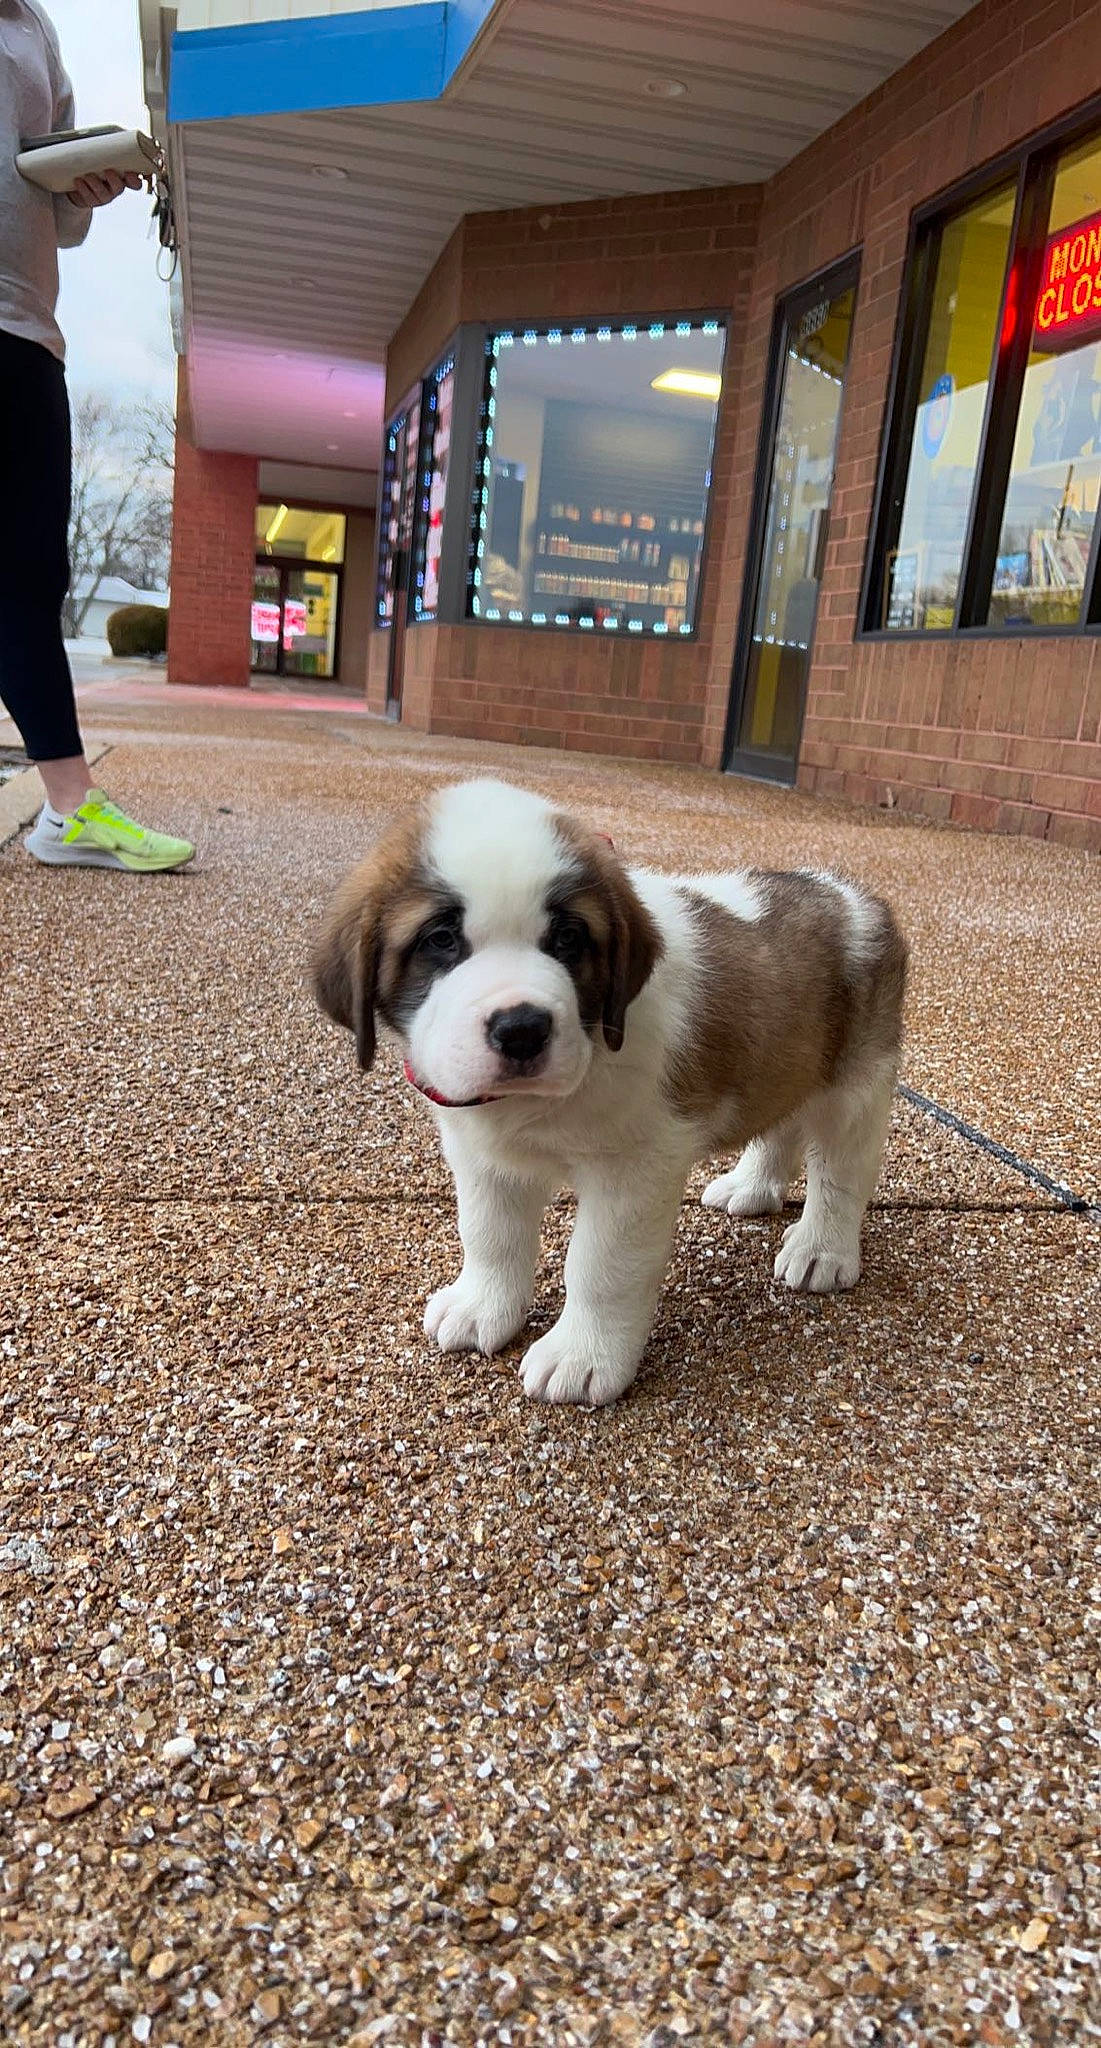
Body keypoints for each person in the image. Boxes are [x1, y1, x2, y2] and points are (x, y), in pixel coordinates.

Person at [1, 0, 193, 872]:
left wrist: (86, 186)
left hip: (28, 330)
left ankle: (68, 811)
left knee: (31, 578)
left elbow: (53, 205)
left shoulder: (33, 25)